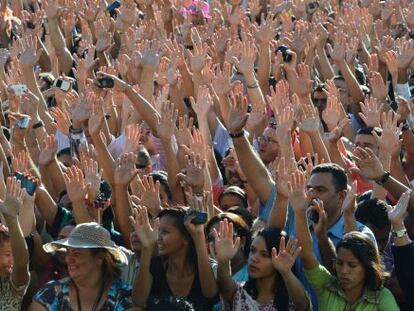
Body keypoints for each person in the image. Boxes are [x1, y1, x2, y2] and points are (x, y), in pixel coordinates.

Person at [289, 170, 399, 310]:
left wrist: (348, 215)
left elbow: (355, 249)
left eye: (320, 190)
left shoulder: (381, 298)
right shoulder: (328, 288)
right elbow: (307, 257)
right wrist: (299, 211)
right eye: (339, 263)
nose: (344, 271)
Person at [29, 222, 136, 311]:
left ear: (100, 258)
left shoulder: (123, 296)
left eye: (77, 254)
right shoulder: (52, 292)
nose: (68, 259)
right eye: (68, 252)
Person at [131, 205, 218, 310]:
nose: (158, 237)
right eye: (158, 231)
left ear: (186, 239)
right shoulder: (154, 266)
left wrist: (198, 236)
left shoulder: (205, 266)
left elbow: (210, 293)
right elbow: (138, 302)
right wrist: (147, 247)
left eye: (165, 232)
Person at [213, 219, 310, 310]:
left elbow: (303, 304)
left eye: (264, 255)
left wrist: (286, 272)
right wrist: (224, 260)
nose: (254, 258)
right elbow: (224, 283)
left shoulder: (291, 298)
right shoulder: (239, 294)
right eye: (252, 251)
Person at [0, 177, 31, 310]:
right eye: (7, 254)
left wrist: (11, 218)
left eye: (14, 254)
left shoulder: (12, 285)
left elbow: (21, 262)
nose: (11, 260)